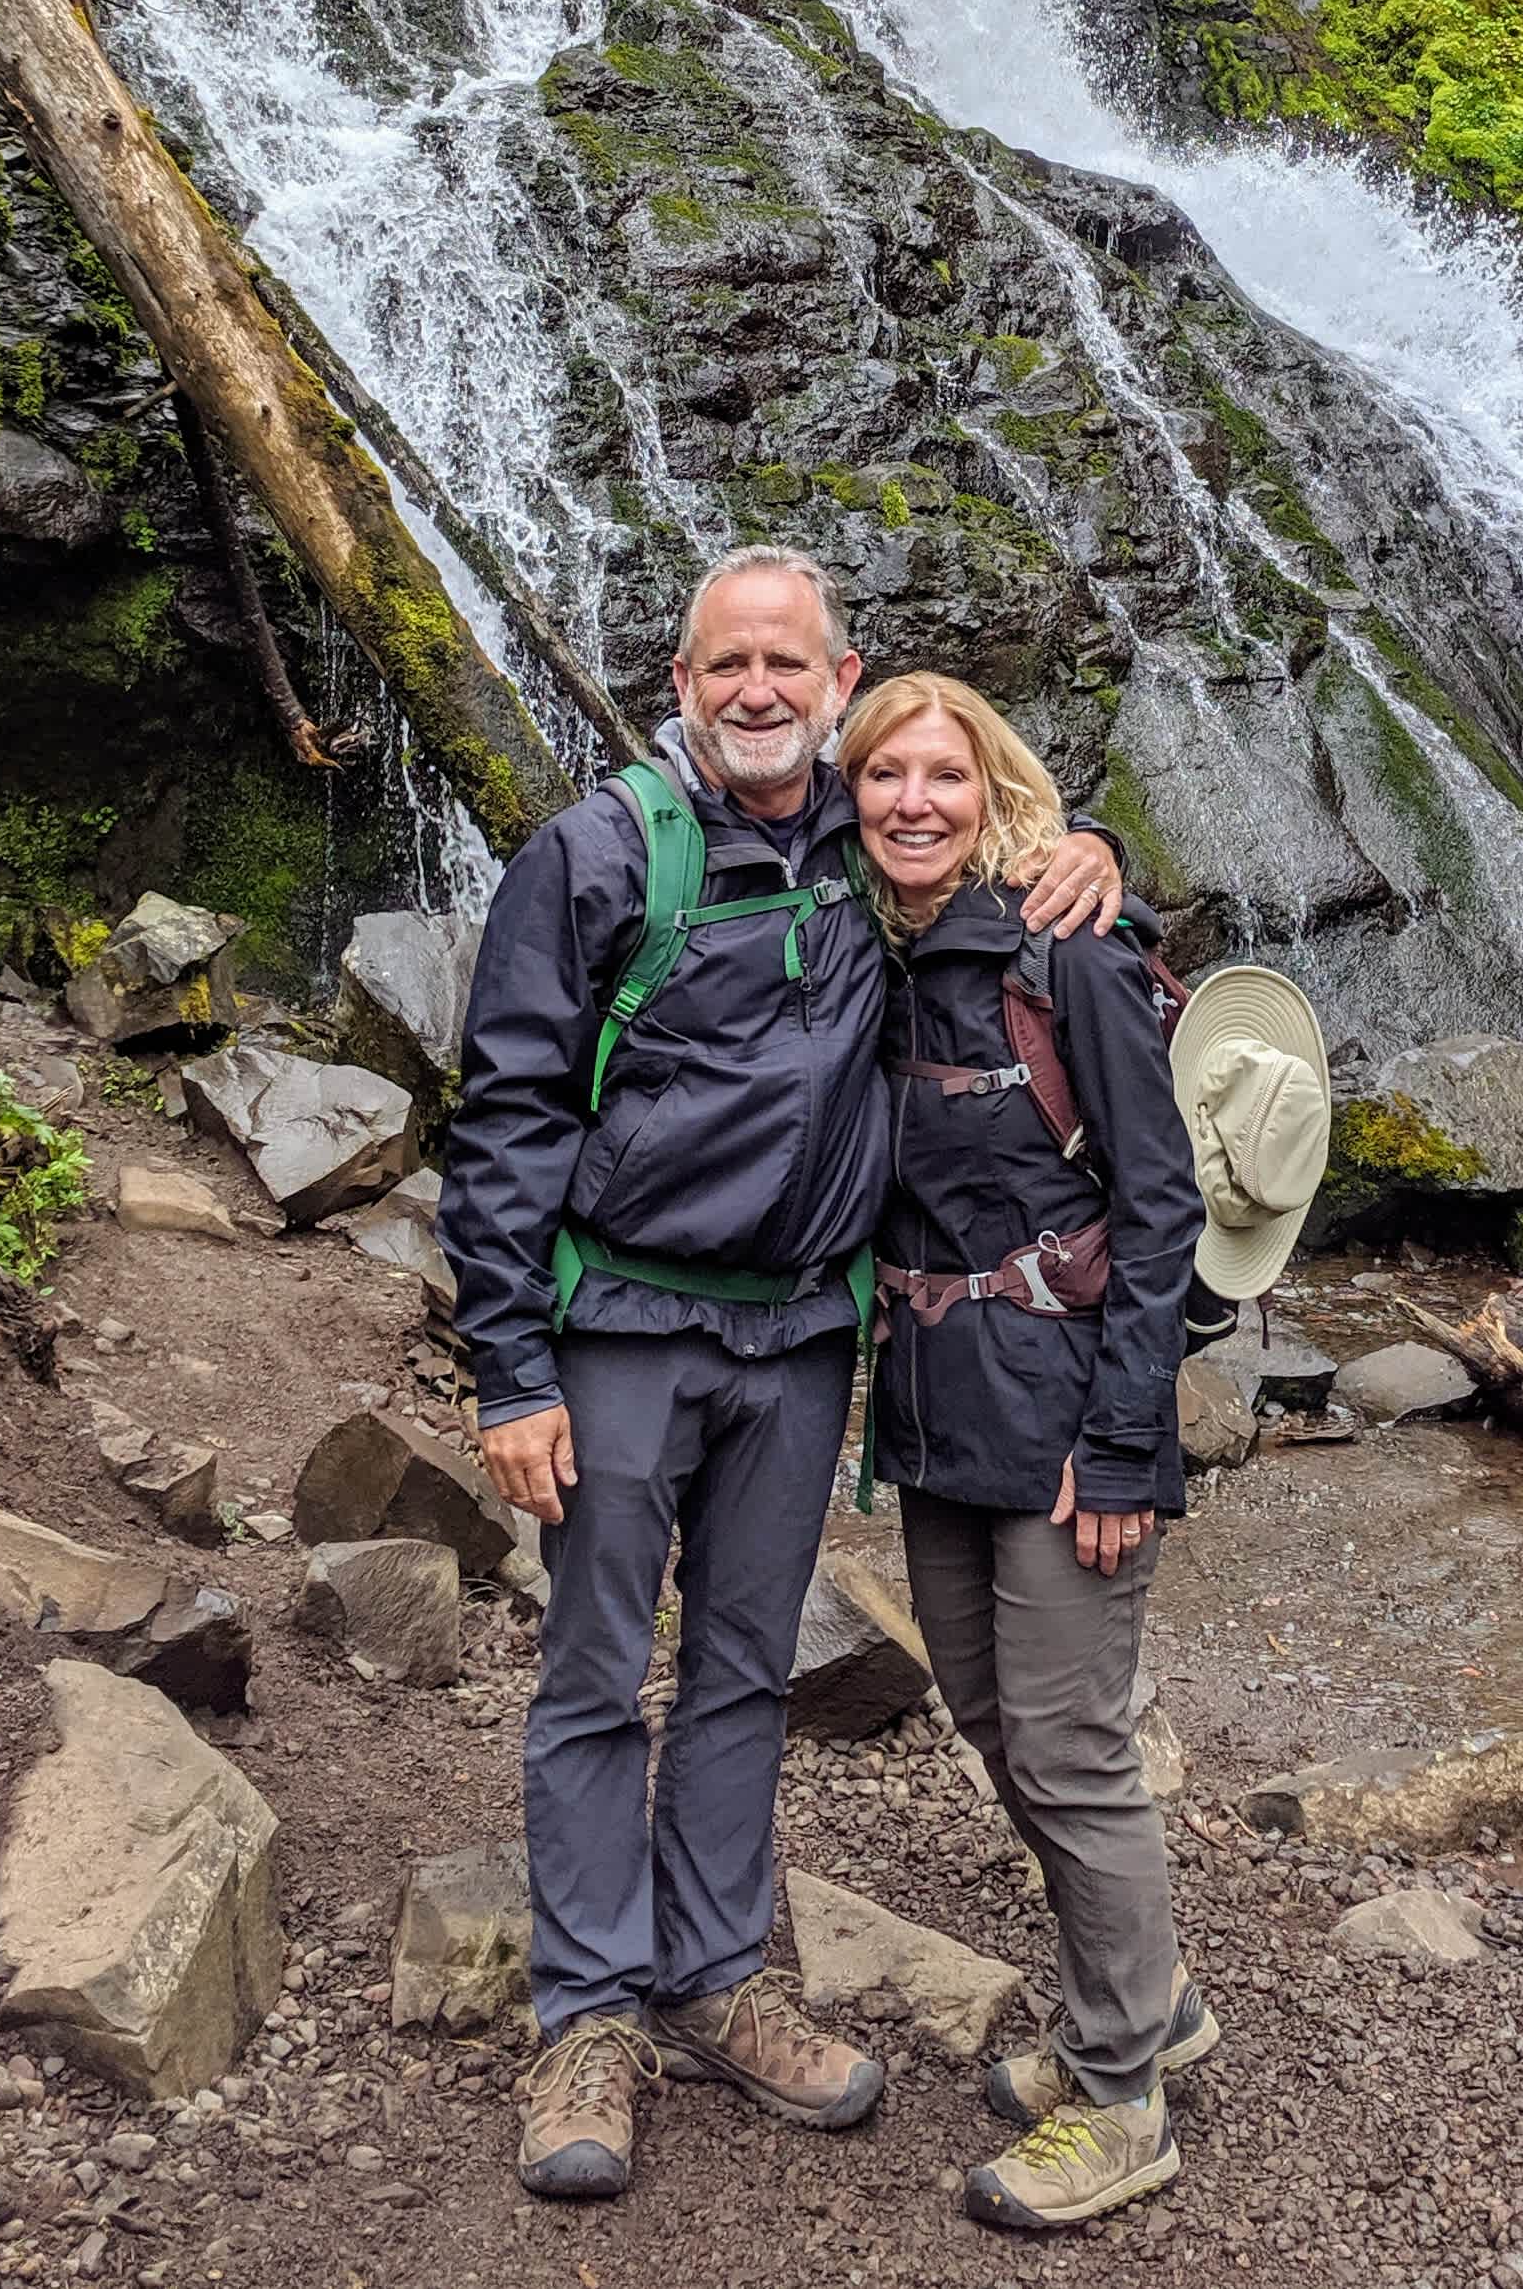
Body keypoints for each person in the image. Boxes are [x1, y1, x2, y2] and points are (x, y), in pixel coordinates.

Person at [436, 549, 1124, 2205]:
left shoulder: (874, 845)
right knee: (599, 1667)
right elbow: (508, 1115)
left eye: (786, 666)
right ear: (682, 684)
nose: (757, 691)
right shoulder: (600, 849)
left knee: (747, 1667)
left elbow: (1041, 915)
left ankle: (719, 1974)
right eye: (725, 665)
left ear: (839, 677)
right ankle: (589, 2009)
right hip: (624, 1328)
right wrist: (509, 1364)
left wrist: (1108, 861)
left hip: (804, 1335)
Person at [840, 671, 1324, 2234]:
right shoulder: (879, 959)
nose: (915, 802)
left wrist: (1124, 1448)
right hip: (936, 1419)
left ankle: (1123, 2095)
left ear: (999, 794)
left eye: (945, 776)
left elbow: (1166, 1210)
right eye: (885, 778)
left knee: (1072, 1749)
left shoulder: (1077, 959)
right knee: (992, 1718)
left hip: (1064, 1425)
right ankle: (1154, 2000)